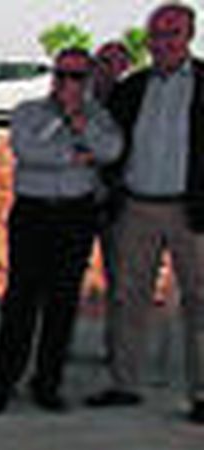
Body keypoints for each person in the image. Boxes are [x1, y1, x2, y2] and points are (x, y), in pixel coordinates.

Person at [0, 49, 124, 414]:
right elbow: (28, 151)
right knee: (21, 301)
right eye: (61, 75)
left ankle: (47, 383)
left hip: (76, 214)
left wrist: (81, 125)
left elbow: (111, 149)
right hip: (33, 213)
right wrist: (75, 152)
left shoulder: (98, 117)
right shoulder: (30, 111)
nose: (66, 83)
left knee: (62, 301)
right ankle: (2, 381)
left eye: (76, 77)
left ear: (88, 80)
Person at [87, 2, 204, 424]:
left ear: (188, 36)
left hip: (191, 212)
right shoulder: (133, 87)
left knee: (199, 302)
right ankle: (124, 383)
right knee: (128, 299)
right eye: (156, 35)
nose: (163, 43)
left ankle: (201, 393)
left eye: (172, 33)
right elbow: (108, 140)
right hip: (136, 206)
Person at [92, 40, 134, 362]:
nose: (108, 68)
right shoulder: (76, 99)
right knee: (59, 278)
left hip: (117, 201)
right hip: (74, 200)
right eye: (104, 60)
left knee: (120, 282)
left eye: (116, 62)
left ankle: (116, 350)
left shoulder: (131, 101)